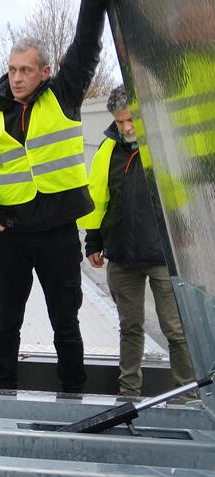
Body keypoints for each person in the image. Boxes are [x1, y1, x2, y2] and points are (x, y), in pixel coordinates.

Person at [0, 0, 110, 393]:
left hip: (58, 233)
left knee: (66, 320)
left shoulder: (63, 94)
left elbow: (86, 45)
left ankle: (72, 392)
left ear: (44, 72)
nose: (16, 77)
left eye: (25, 70)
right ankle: (4, 388)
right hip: (10, 233)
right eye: (12, 69)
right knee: (6, 319)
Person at [80, 85, 196, 397]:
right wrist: (93, 242)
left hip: (161, 256)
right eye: (120, 122)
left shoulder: (160, 145)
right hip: (122, 257)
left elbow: (175, 191)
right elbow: (99, 199)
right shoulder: (107, 152)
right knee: (130, 329)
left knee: (175, 329)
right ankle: (129, 393)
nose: (127, 127)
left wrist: (182, 228)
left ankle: (186, 395)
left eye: (130, 119)